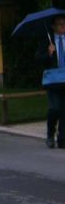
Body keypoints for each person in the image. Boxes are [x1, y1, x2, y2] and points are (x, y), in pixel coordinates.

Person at [36, 15, 65, 148]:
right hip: (53, 80)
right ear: (53, 26)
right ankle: (50, 134)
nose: (63, 26)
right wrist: (48, 53)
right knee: (55, 108)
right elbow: (38, 59)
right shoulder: (47, 41)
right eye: (60, 24)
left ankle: (62, 138)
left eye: (64, 23)